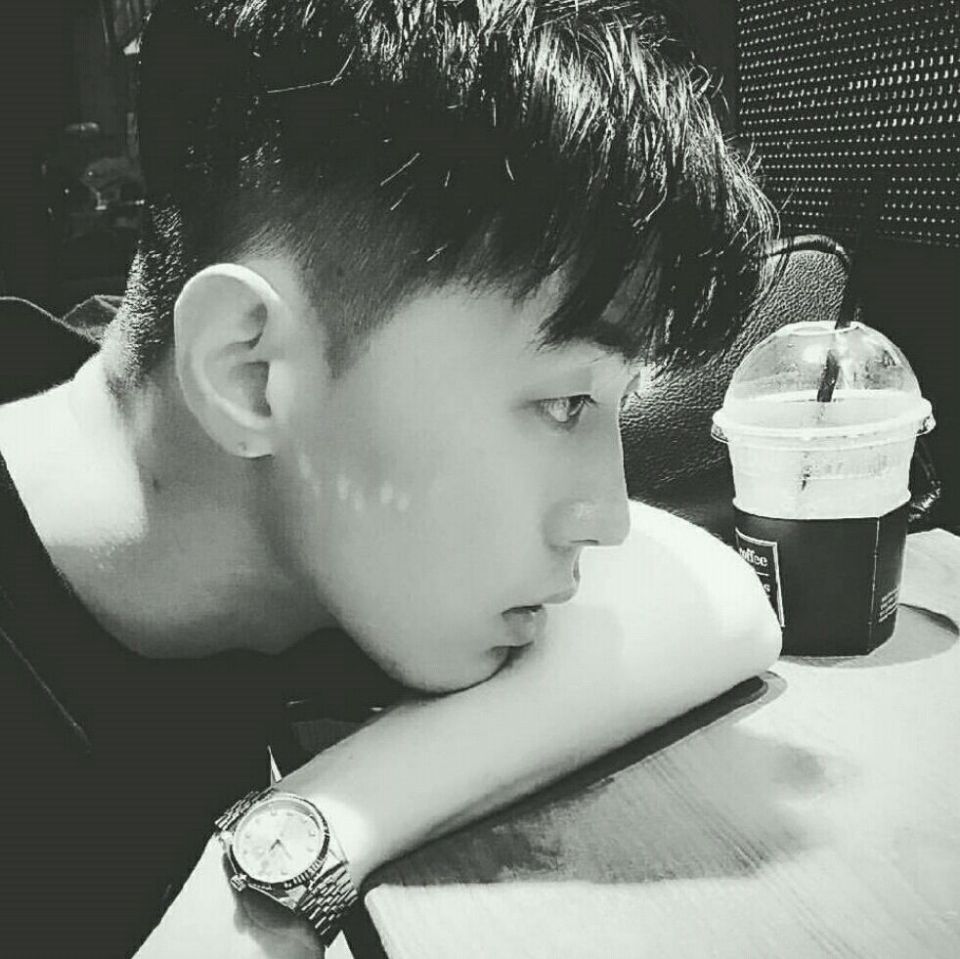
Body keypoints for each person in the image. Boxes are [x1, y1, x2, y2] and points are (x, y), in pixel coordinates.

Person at [0, 0, 782, 956]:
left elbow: (717, 602)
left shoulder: (312, 518)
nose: (608, 516)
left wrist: (309, 835)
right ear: (251, 374)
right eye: (564, 401)